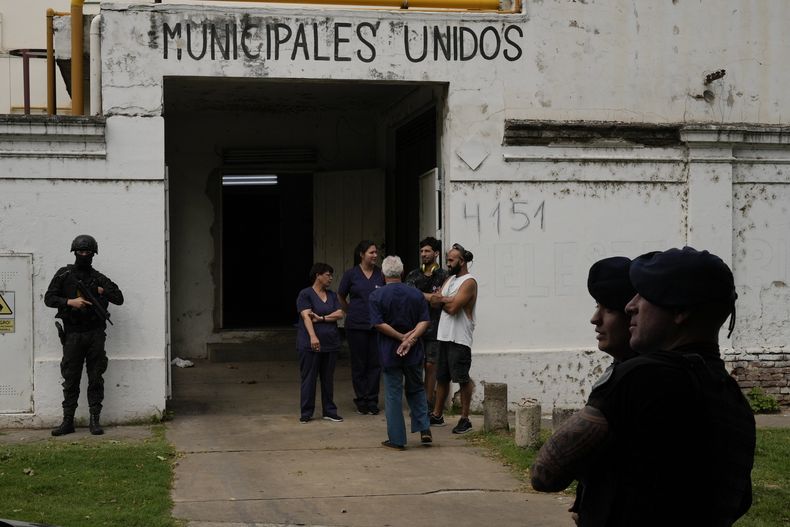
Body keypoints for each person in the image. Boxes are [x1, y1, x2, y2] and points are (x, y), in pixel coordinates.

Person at [531, 247, 756, 527]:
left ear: (681, 310)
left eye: (644, 295)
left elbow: (545, 473)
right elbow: (740, 499)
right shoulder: (731, 395)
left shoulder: (639, 376)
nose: (631, 306)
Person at [569, 256, 637, 524]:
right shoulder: (619, 368)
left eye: (607, 309)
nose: (594, 319)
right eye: (597, 307)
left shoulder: (637, 378)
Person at [44, 235, 124, 436]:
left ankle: (94, 421)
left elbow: (119, 298)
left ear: (93, 254)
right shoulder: (64, 275)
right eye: (80, 252)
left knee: (95, 377)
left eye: (87, 252)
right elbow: (49, 298)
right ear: (74, 252)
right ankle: (67, 421)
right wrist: (70, 302)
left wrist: (101, 290)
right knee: (70, 378)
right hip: (73, 335)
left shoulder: (98, 277)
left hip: (95, 334)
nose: (84, 255)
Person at [369, 256, 432, 450]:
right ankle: (424, 428)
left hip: (390, 352)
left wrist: (399, 337)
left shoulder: (376, 296)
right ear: (402, 273)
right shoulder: (415, 294)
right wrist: (411, 339)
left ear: (383, 274)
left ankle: (397, 439)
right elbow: (425, 321)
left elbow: (378, 323)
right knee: (416, 389)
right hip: (413, 352)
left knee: (393, 395)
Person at [429, 243, 477, 434]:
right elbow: (435, 301)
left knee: (462, 378)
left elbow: (453, 308)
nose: (447, 263)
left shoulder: (469, 281)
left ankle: (465, 419)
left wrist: (442, 300)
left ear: (462, 261)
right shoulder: (449, 280)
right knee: (442, 377)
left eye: (451, 260)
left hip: (459, 339)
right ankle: (437, 414)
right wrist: (445, 300)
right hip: (444, 336)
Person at [338, 240, 385, 415]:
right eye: (371, 252)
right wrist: (350, 311)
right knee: (359, 364)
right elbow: (341, 295)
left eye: (375, 253)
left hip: (376, 326)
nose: (375, 255)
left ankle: (372, 400)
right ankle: (361, 399)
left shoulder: (381, 274)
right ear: (361, 254)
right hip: (356, 326)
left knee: (375, 364)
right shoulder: (351, 274)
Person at [296, 263, 345, 424]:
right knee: (309, 378)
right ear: (318, 275)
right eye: (327, 274)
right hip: (310, 344)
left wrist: (322, 318)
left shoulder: (331, 295)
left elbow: (340, 313)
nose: (330, 278)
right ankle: (306, 412)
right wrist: (313, 336)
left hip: (330, 343)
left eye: (331, 275)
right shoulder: (306, 294)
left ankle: (329, 411)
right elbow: (306, 316)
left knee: (327, 378)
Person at [404, 236, 447, 411]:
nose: (424, 254)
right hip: (415, 327)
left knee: (431, 365)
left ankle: (427, 403)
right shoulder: (413, 275)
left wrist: (420, 295)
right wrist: (431, 297)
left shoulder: (445, 276)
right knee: (414, 365)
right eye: (422, 251)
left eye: (427, 251)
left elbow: (442, 300)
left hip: (436, 328)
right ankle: (415, 401)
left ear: (436, 253)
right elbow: (409, 296)